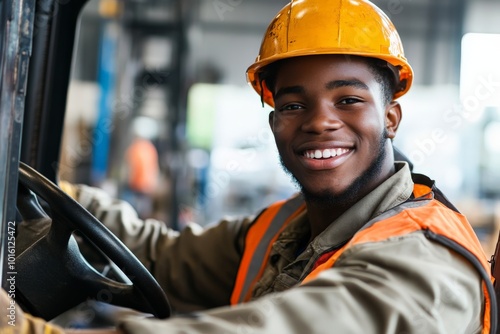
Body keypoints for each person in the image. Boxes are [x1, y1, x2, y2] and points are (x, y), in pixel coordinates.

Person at [2, 0, 497, 333]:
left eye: (348, 99)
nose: (320, 122)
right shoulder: (288, 228)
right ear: (274, 120)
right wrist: (52, 193)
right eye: (293, 105)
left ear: (391, 118)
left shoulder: (422, 264)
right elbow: (163, 256)